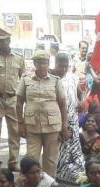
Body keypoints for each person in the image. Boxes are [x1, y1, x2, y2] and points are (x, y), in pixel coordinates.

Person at [17, 49, 68, 177]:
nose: (42, 65)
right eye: (39, 62)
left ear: (48, 64)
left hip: (52, 126)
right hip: (32, 126)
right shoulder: (25, 79)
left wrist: (64, 127)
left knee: (50, 161)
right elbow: (18, 103)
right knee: (31, 159)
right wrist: (20, 124)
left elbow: (63, 104)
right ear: (34, 63)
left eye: (45, 62)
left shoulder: (55, 80)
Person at [0, 29, 25, 172]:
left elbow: (23, 80)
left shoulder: (19, 58)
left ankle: (13, 161)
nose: (0, 43)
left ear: (9, 40)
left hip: (13, 99)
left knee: (14, 132)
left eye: (3, 40)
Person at [53, 52, 87, 184]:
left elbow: (79, 92)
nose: (63, 69)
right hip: (59, 119)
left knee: (74, 147)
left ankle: (78, 171)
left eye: (65, 66)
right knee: (61, 148)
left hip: (73, 118)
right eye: (60, 66)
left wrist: (81, 101)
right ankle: (60, 173)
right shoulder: (52, 79)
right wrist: (63, 125)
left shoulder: (72, 77)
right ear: (55, 64)